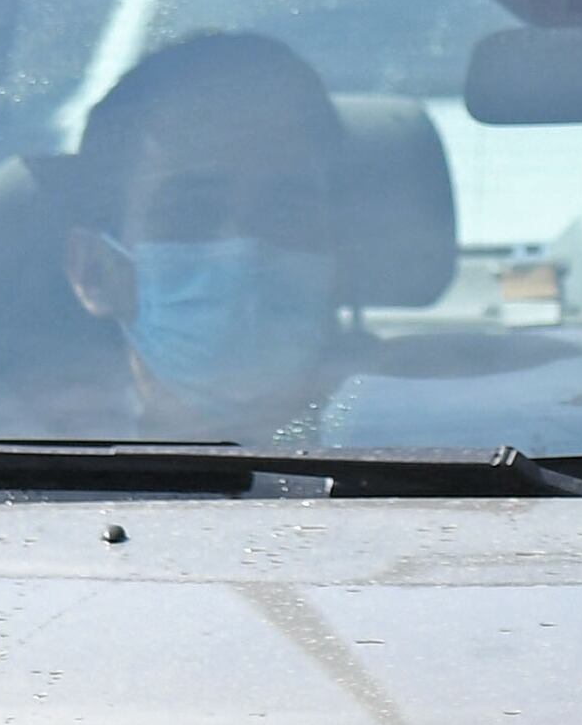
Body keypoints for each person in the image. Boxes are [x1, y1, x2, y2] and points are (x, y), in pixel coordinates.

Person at [60, 33, 362, 443]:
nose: (245, 250)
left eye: (285, 212)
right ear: (94, 272)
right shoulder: (0, 461)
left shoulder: (439, 437)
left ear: (341, 256)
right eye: (190, 214)